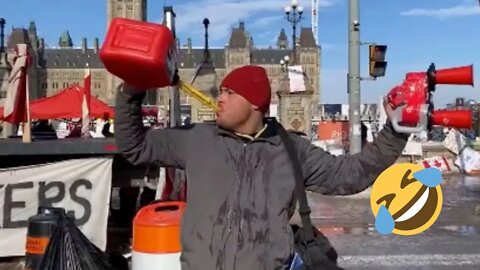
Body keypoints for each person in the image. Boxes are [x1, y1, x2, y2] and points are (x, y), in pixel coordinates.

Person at [114, 65, 409, 270]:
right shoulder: (197, 139)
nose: (219, 98)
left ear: (254, 103)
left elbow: (350, 175)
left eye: (229, 92)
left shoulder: (292, 149)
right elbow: (135, 147)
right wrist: (130, 93)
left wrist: (394, 133)